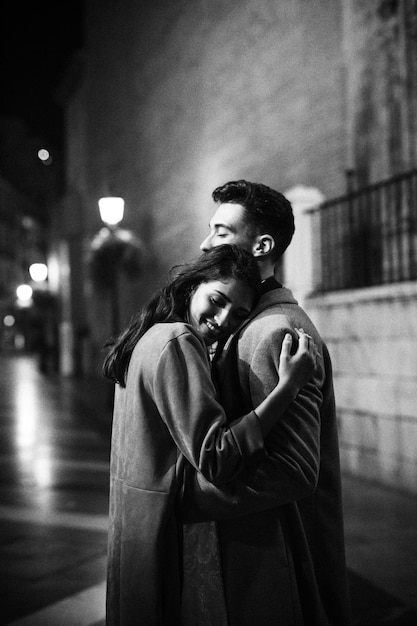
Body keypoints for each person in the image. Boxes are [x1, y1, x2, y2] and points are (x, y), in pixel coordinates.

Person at [103, 244, 318, 625]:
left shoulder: (149, 336)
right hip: (162, 529)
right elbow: (216, 457)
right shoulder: (178, 342)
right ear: (191, 287)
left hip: (133, 528)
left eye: (238, 314)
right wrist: (286, 388)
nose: (222, 319)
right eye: (216, 301)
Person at [181, 180, 352, 625]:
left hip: (277, 566)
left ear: (262, 245)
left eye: (221, 231)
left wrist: (186, 498)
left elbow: (294, 472)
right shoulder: (249, 321)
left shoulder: (274, 332)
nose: (206, 242)